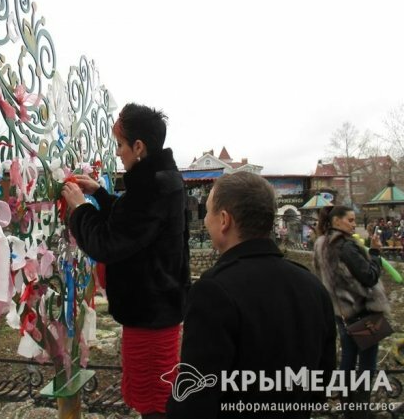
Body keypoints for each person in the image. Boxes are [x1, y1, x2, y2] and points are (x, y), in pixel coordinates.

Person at [166, 172, 336, 418]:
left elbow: (195, 399)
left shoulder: (213, 291)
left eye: (208, 212)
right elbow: (322, 381)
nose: (205, 220)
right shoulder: (313, 286)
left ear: (224, 220)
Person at [61, 103, 191, 419]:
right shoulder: (163, 178)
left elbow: (109, 243)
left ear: (139, 146)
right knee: (157, 394)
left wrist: (80, 210)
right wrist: (102, 196)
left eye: (120, 145)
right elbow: (135, 227)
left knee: (154, 402)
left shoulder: (151, 187)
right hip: (157, 311)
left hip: (150, 318)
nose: (118, 153)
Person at [312, 205, 390, 416]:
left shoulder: (320, 243)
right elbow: (369, 276)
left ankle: (347, 406)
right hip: (363, 310)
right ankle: (361, 408)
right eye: (350, 220)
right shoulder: (346, 246)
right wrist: (374, 253)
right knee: (367, 362)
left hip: (341, 313)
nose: (354, 224)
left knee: (347, 358)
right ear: (336, 221)